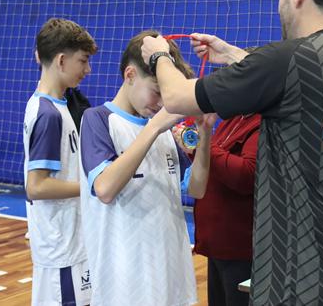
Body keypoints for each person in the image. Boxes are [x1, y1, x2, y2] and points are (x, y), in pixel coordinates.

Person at [141, 0, 323, 305]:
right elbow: (303, 83)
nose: (279, 1)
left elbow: (176, 98)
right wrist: (231, 54)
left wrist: (159, 56)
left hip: (301, 283)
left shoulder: (284, 59)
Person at [78, 30, 213, 306]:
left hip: (173, 279)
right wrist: (154, 128)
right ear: (130, 75)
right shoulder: (98, 119)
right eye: (157, 92)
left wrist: (206, 133)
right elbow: (105, 188)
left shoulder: (163, 129)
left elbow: (197, 189)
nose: (163, 103)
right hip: (124, 287)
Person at [23, 17, 97, 306]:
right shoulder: (48, 114)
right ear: (62, 60)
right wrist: (91, 187)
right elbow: (37, 187)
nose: (88, 70)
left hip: (68, 242)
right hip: (61, 248)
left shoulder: (57, 106)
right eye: (83, 61)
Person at [178, 108, 261, 306]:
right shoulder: (233, 119)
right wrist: (194, 145)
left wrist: (201, 143)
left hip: (239, 247)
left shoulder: (262, 124)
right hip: (217, 243)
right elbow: (213, 164)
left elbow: (246, 175)